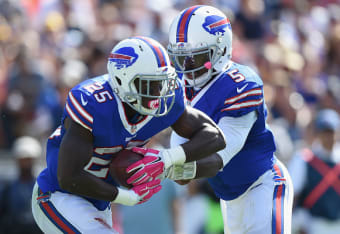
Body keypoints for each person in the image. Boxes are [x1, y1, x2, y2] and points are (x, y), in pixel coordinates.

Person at [31, 36, 226, 233]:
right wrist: (127, 197)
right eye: (150, 84)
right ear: (121, 80)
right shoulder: (93, 103)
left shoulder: (166, 102)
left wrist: (166, 160)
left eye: (161, 83)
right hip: (58, 195)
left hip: (99, 202)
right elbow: (68, 177)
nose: (159, 93)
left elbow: (214, 138)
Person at [167, 5, 294, 234]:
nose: (187, 67)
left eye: (195, 57)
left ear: (221, 50)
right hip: (230, 198)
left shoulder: (241, 84)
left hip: (261, 185)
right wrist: (162, 164)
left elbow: (220, 156)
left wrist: (167, 162)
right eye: (182, 58)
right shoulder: (180, 88)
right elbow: (181, 167)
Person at [288, 109, 340, 234]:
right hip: (312, 225)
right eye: (325, 132)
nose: (329, 137)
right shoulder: (304, 159)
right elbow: (294, 195)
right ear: (318, 134)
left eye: (331, 132)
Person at [0, 136, 42, 234]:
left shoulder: (43, 186)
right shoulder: (8, 187)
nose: (26, 163)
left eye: (29, 159)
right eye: (23, 159)